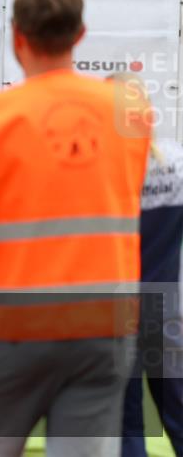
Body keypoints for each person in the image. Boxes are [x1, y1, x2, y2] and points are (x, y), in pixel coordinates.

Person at [0, 0, 150, 457]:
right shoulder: (131, 112)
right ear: (80, 35)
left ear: (17, 35)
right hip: (102, 324)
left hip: (14, 326)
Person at [109, 76, 183, 457]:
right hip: (169, 311)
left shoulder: (105, 170)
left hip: (118, 312)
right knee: (178, 416)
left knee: (127, 426)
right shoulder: (176, 160)